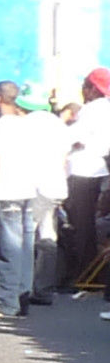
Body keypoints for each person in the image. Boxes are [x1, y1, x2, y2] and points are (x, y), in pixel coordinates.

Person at [0, 82, 66, 321]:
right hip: (30, 191)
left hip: (7, 191)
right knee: (26, 249)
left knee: (7, 249)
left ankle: (6, 303)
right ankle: (21, 300)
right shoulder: (29, 126)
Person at [65, 67, 110, 294]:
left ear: (93, 89)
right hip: (106, 170)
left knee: (82, 228)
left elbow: (74, 138)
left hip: (85, 172)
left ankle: (86, 278)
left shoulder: (90, 109)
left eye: (85, 86)